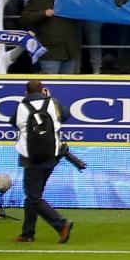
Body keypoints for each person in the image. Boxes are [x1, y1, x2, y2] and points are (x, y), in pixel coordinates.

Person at [11, 78, 81, 243]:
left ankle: (61, 224)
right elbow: (65, 115)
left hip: (31, 156)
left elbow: (14, 122)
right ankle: (28, 233)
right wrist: (49, 97)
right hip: (52, 154)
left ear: (26, 92)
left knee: (33, 196)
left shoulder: (22, 106)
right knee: (33, 196)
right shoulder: (53, 103)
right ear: (43, 90)